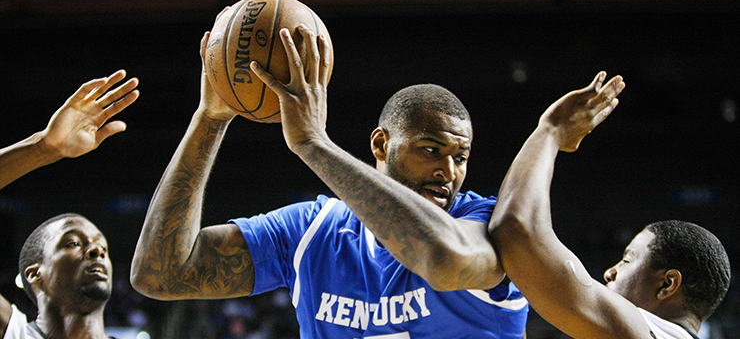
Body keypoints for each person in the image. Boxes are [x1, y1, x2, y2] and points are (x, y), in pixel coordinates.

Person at [130, 20, 528, 338]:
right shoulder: (311, 231)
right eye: (430, 150)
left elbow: (441, 260)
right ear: (380, 145)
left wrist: (314, 144)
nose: (449, 170)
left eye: (461, 157)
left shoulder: (486, 223)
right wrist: (211, 119)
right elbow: (160, 275)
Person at [488, 72, 731, 339]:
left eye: (627, 260)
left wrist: (551, 130)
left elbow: (517, 232)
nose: (609, 272)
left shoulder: (642, 332)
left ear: (666, 284)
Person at [1, 70, 140, 339]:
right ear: (35, 274)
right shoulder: (15, 333)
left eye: (102, 247)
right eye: (73, 243)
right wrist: (43, 148)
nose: (96, 252)